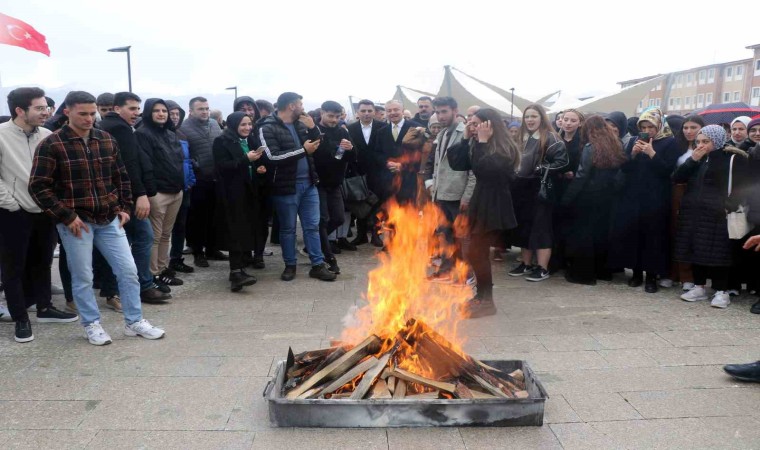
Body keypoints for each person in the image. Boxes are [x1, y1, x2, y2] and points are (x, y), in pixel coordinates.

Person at [29, 91, 165, 345]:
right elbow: (38, 186)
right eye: (83, 113)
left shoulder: (106, 139)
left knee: (128, 271)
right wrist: (66, 216)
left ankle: (134, 321)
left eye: (93, 113)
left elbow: (121, 176)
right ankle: (91, 324)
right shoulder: (52, 144)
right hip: (76, 222)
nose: (89, 118)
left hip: (109, 218)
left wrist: (124, 208)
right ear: (67, 112)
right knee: (83, 277)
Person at [0, 87, 78, 343]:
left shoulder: (47, 135)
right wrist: (12, 204)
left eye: (46, 107)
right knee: (13, 268)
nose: (46, 112)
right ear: (20, 110)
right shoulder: (1, 136)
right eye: (40, 108)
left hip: (45, 211)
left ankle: (45, 308)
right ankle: (21, 318)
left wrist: (53, 204)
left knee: (43, 262)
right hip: (13, 213)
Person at [100, 92, 172, 304]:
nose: (136, 113)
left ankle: (125, 287)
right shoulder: (119, 128)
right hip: (126, 197)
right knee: (141, 238)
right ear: (117, 108)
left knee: (131, 240)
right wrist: (140, 195)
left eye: (138, 109)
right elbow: (129, 165)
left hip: (123, 195)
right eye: (131, 109)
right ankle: (140, 286)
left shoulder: (117, 126)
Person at [447, 109, 520, 318]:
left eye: (476, 123)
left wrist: (482, 141)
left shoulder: (503, 147)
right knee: (475, 252)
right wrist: (465, 138)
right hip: (481, 201)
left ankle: (486, 301)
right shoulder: (479, 143)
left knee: (477, 252)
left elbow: (484, 170)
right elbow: (456, 163)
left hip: (494, 204)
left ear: (489, 125)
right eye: (471, 123)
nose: (472, 127)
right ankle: (482, 296)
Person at [258, 91, 336, 282]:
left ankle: (318, 265)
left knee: (312, 226)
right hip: (285, 187)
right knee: (288, 229)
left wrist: (313, 128)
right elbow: (272, 157)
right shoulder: (267, 127)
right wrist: (303, 150)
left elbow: (317, 147)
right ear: (291, 106)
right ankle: (290, 265)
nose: (303, 107)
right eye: (300, 104)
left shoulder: (301, 124)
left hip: (309, 184)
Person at [675, 125, 750, 308]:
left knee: (719, 253)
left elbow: (742, 186)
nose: (700, 145)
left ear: (716, 141)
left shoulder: (731, 157)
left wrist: (729, 206)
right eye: (698, 141)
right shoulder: (697, 159)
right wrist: (692, 160)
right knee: (696, 250)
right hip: (694, 214)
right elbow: (677, 177)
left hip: (719, 214)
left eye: (705, 141)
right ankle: (699, 287)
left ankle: (721, 291)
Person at [608, 107, 681, 293]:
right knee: (634, 235)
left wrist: (652, 153)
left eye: (651, 127)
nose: (647, 131)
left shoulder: (669, 142)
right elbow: (625, 168)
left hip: (656, 198)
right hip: (633, 196)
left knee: (653, 237)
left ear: (659, 126)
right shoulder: (635, 140)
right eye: (644, 127)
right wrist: (632, 154)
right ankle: (636, 273)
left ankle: (652, 277)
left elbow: (667, 170)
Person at [561, 115, 626, 285]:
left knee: (585, 235)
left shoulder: (590, 147)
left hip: (589, 195)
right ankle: (602, 271)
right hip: (609, 196)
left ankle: (583, 274)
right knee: (602, 233)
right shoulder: (616, 144)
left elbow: (582, 175)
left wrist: (568, 197)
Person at [508, 104, 568, 282]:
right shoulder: (520, 137)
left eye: (534, 116)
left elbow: (562, 162)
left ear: (542, 118)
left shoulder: (551, 138)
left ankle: (542, 268)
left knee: (541, 229)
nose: (530, 120)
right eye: (527, 116)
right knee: (524, 227)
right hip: (521, 188)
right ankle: (526, 264)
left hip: (540, 189)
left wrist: (541, 169)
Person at [135, 99, 186, 291]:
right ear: (149, 113)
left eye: (164, 110)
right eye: (156, 110)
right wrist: (150, 192)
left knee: (166, 234)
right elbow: (145, 164)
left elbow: (179, 160)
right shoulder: (142, 134)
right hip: (157, 193)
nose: (161, 114)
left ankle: (163, 270)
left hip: (176, 190)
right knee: (154, 237)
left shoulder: (170, 133)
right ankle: (153, 274)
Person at [424, 96, 475, 281]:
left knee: (462, 237)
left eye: (444, 111)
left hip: (458, 195)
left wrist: (467, 196)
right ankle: (446, 269)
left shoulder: (466, 133)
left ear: (455, 111)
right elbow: (437, 165)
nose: (440, 116)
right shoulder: (442, 134)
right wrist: (432, 186)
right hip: (441, 194)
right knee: (444, 235)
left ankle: (465, 273)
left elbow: (473, 170)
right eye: (437, 112)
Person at [212, 112, 262, 291]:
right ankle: (236, 272)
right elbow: (222, 166)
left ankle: (240, 269)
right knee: (235, 230)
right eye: (243, 125)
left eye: (249, 124)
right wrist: (245, 159)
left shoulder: (251, 140)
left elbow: (253, 164)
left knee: (246, 228)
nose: (247, 128)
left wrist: (258, 167)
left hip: (249, 191)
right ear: (233, 125)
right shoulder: (221, 141)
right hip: (232, 193)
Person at [181, 97, 225, 267]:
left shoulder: (214, 124)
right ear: (191, 111)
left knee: (215, 216)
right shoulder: (184, 128)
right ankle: (198, 252)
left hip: (216, 177)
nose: (205, 112)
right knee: (198, 218)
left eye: (207, 108)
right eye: (200, 109)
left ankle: (212, 249)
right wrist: (195, 165)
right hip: (198, 180)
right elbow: (183, 153)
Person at [313, 101, 355, 274]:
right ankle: (328, 256)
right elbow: (319, 155)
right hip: (318, 182)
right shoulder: (314, 130)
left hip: (335, 182)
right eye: (330, 116)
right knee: (323, 219)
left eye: (337, 117)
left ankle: (314, 243)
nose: (334, 120)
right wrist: (334, 148)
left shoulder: (342, 131)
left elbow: (352, 157)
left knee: (338, 218)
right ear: (322, 113)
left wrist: (350, 149)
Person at [667, 115, 705, 292]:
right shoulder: (677, 146)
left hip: (696, 192)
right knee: (674, 231)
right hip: (677, 191)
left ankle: (688, 276)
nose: (689, 131)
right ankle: (672, 273)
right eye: (686, 127)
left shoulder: (705, 148)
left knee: (690, 234)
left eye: (693, 127)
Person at [346, 99, 387, 247]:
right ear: (358, 112)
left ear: (374, 112)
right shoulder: (350, 129)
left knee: (377, 204)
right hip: (358, 173)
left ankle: (376, 234)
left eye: (369, 111)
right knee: (360, 204)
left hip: (378, 173)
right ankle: (361, 234)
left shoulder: (383, 127)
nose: (366, 113)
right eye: (363, 111)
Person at [552, 109, 585, 272]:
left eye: (573, 120)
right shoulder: (555, 139)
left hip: (574, 187)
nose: (568, 123)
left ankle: (569, 258)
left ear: (580, 123)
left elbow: (585, 165)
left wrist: (574, 172)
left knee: (570, 223)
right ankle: (556, 258)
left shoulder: (583, 142)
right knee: (555, 222)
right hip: (555, 185)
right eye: (566, 119)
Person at [166, 100, 196, 275]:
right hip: (166, 189)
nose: (175, 117)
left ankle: (176, 258)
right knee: (163, 230)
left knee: (180, 226)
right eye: (171, 114)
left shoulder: (182, 135)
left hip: (184, 187)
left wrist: (191, 179)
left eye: (178, 114)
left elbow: (187, 160)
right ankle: (158, 266)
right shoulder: (158, 134)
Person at [375, 100, 423, 206]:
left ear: (402, 110)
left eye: (396, 109)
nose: (392, 113)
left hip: (410, 179)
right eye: (389, 110)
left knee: (410, 211)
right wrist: (387, 163)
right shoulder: (381, 132)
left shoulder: (415, 128)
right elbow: (377, 154)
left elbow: (421, 153)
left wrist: (403, 165)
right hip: (389, 181)